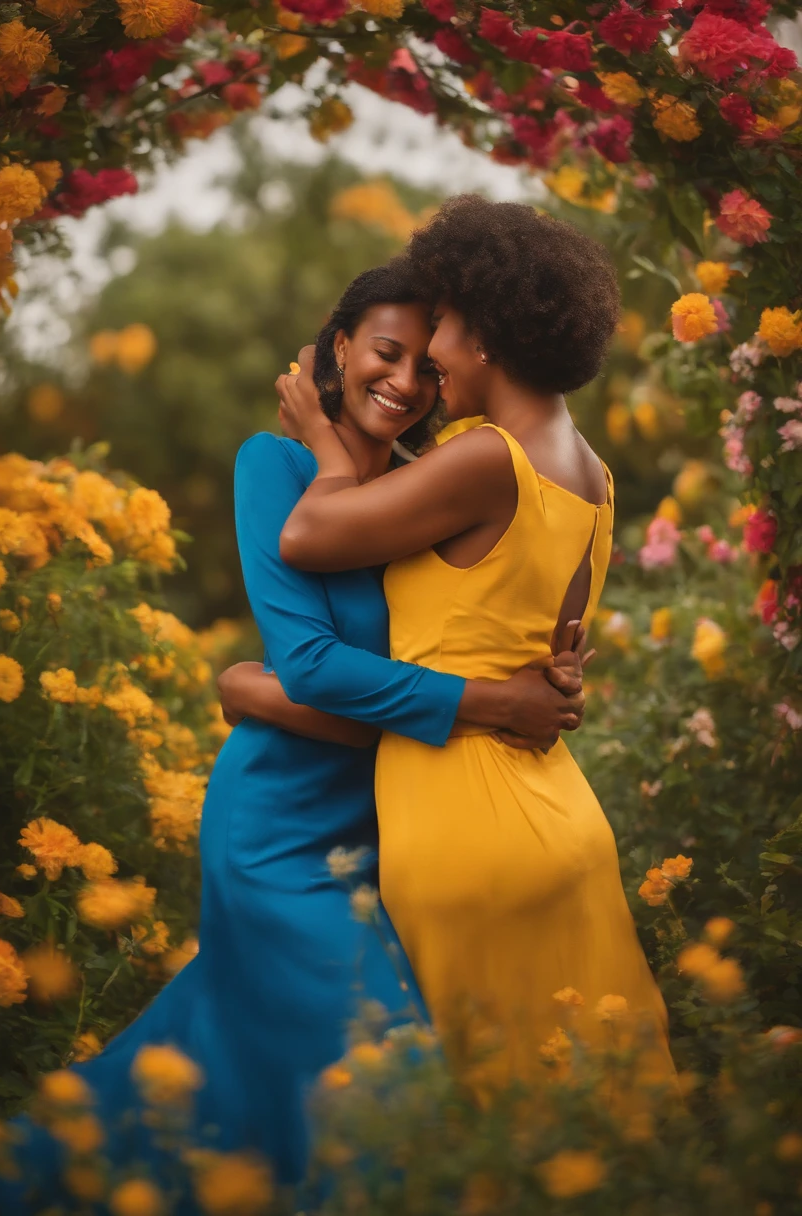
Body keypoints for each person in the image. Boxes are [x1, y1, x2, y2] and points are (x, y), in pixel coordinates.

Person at [0, 260, 587, 1213]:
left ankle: (19, 1179)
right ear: (337, 349)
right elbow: (308, 665)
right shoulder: (273, 466)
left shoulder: (426, 487)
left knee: (219, 1066)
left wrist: (548, 675)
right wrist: (483, 703)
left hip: (386, 833)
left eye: (425, 368)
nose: (406, 382)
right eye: (385, 353)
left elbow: (453, 627)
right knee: (384, 1076)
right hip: (276, 834)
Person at [275, 197, 674, 1082]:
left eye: (444, 325)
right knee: (589, 1115)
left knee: (486, 1117)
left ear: (487, 334)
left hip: (464, 818)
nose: (433, 355)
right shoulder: (593, 475)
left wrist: (318, 437)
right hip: (557, 814)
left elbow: (306, 536)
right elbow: (543, 648)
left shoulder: (487, 456)